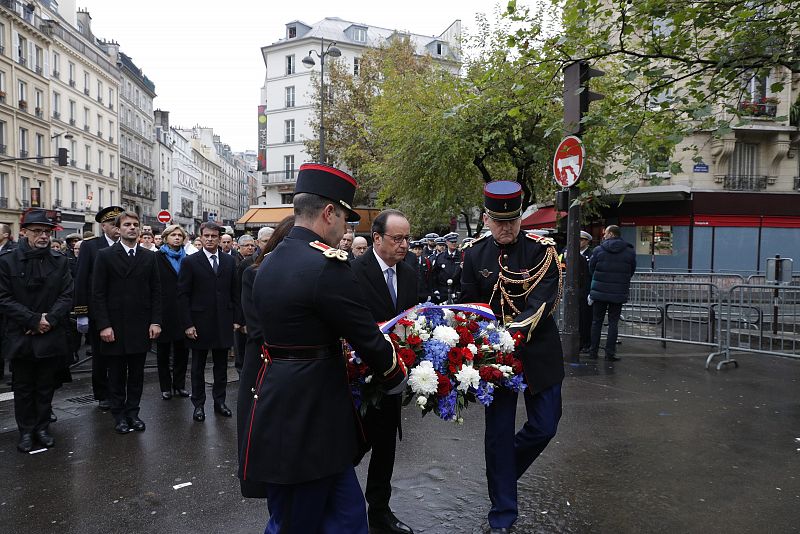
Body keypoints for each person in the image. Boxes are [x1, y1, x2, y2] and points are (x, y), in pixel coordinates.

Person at [239, 163, 407, 533]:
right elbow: (365, 335)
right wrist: (396, 373)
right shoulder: (326, 265)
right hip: (311, 416)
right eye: (345, 219)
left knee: (343, 516)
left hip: (282, 404)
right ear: (329, 212)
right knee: (300, 520)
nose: (346, 229)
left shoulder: (269, 263)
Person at [460, 181, 564, 534]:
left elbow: (541, 304)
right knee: (498, 435)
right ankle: (502, 514)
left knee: (545, 426)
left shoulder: (542, 251)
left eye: (513, 221)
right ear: (487, 219)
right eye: (499, 221)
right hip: (493, 359)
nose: (506, 228)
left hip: (538, 353)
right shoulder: (474, 254)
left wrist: (510, 336)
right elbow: (469, 307)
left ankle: (502, 472)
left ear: (521, 218)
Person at [351, 209, 417, 534]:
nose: (404, 245)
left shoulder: (411, 272)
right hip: (359, 379)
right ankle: (336, 508)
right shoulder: (353, 272)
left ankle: (379, 512)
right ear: (376, 238)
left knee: (386, 449)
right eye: (397, 238)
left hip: (394, 378)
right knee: (351, 447)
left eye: (407, 238)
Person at [0, 210, 73, 452]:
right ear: (24, 232)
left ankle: (42, 428)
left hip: (50, 333)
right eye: (37, 231)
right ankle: (26, 431)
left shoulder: (59, 260)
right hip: (21, 334)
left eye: (47, 231)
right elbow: (4, 298)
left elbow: (67, 295)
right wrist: (32, 320)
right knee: (23, 387)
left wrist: (49, 320)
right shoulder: (7, 260)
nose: (43, 236)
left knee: (45, 385)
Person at [91, 211, 162, 434]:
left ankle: (133, 413)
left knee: (137, 375)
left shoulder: (149, 257)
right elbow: (98, 293)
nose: (132, 228)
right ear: (118, 229)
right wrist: (103, 325)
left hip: (140, 326)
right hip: (114, 326)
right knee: (117, 374)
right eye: (127, 225)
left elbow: (157, 293)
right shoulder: (105, 255)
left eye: (135, 224)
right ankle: (119, 415)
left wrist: (156, 322)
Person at [177, 221, 240, 422]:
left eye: (214, 236)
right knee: (198, 367)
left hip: (223, 321)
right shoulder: (190, 261)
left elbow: (235, 293)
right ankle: (198, 404)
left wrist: (237, 319)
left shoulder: (230, 262)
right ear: (201, 237)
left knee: (221, 366)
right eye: (207, 236)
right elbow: (183, 295)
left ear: (220, 238)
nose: (210, 239)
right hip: (199, 322)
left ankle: (220, 402)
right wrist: (187, 324)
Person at [73, 205, 123, 411]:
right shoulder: (90, 246)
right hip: (98, 311)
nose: (118, 228)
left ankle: (118, 390)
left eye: (119, 224)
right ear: (103, 227)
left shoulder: (127, 245)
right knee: (101, 356)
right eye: (113, 224)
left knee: (120, 356)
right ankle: (102, 393)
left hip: (121, 311)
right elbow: (81, 279)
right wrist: (82, 313)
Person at [588, 225, 636, 361]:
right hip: (618, 292)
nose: (603, 236)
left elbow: (591, 268)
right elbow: (631, 270)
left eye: (606, 233)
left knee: (596, 322)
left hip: (599, 291)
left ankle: (593, 352)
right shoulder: (629, 251)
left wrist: (599, 280)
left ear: (611, 234)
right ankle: (610, 353)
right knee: (613, 323)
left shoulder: (598, 250)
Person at [155, 224, 190, 400]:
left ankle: (180, 385)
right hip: (163, 310)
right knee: (162, 352)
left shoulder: (188, 258)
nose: (177, 238)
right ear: (165, 237)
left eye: (180, 235)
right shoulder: (156, 257)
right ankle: (165, 387)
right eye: (173, 235)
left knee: (182, 352)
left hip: (182, 310)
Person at [430, 232, 462, 303]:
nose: (454, 243)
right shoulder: (440, 257)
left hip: (457, 290)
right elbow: (434, 274)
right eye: (452, 242)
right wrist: (435, 289)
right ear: (447, 243)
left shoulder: (461, 256)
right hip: (443, 290)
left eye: (455, 242)